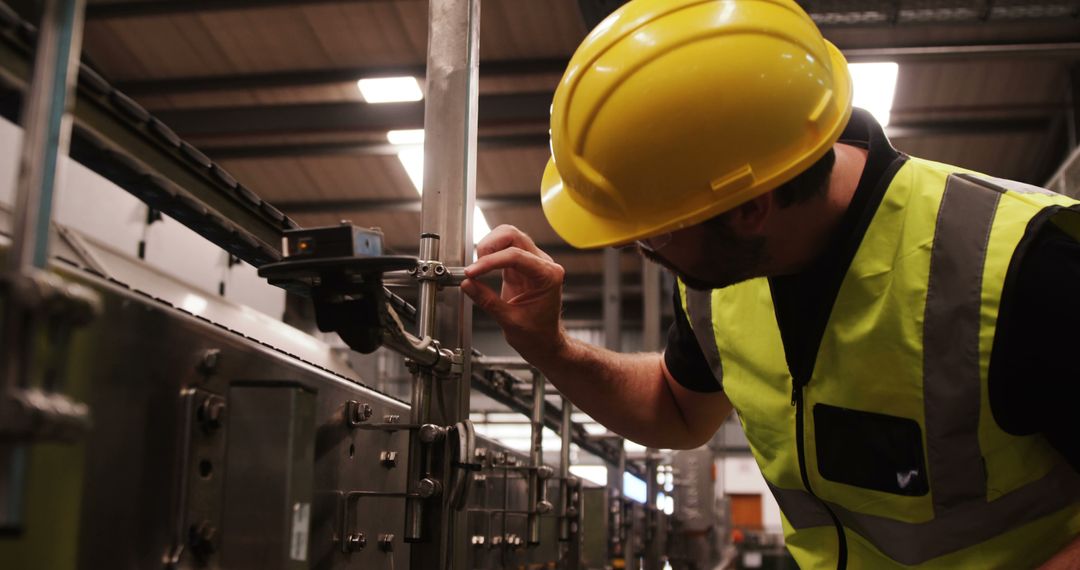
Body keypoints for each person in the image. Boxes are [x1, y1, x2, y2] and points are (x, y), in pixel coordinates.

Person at [459, 0, 1080, 567]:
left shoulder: (1021, 268)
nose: (633, 247)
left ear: (750, 210)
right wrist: (551, 346)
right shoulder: (719, 274)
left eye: (653, 233)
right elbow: (676, 411)